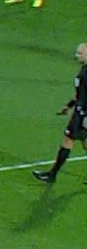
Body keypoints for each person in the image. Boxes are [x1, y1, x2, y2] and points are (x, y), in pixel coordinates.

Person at [33, 41, 87, 183]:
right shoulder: (84, 69)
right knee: (83, 141)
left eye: (80, 53)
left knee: (68, 139)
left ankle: (52, 174)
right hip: (80, 111)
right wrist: (69, 106)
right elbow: (80, 94)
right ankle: (52, 174)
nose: (77, 55)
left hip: (83, 114)